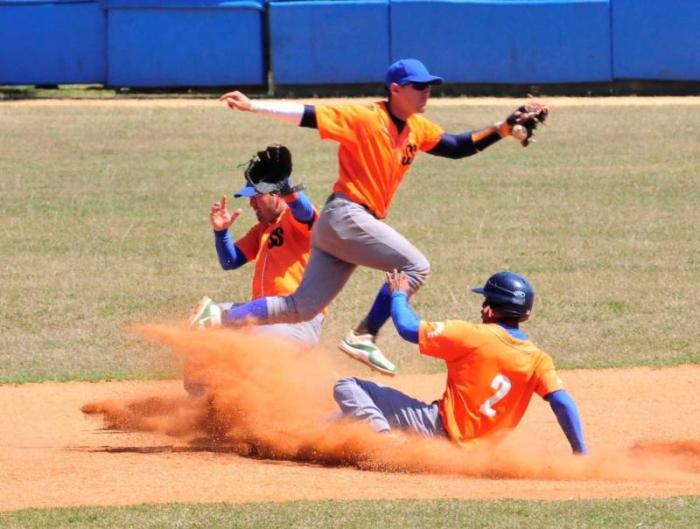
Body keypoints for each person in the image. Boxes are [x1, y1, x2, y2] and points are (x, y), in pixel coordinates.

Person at [215, 58, 548, 376]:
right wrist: (253, 105)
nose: (425, 92)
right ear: (395, 89)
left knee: (301, 307)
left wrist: (503, 129)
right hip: (346, 214)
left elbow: (457, 146)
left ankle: (222, 317)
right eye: (417, 86)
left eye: (429, 86)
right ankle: (364, 334)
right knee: (416, 267)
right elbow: (309, 114)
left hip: (341, 227)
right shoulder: (366, 117)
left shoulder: (417, 128)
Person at [333, 270, 588, 454]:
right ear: (526, 314)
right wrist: (580, 453)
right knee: (340, 419)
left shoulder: (472, 336)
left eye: (484, 301)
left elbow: (407, 327)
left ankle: (384, 446)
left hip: (435, 429)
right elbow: (562, 402)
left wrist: (398, 295)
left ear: (488, 309)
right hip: (477, 455)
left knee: (347, 386)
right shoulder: (538, 359)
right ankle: (309, 441)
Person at [189, 145, 324, 347]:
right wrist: (221, 232)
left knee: (253, 338)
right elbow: (230, 261)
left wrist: (288, 190)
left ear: (276, 193)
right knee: (202, 324)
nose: (251, 203)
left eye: (256, 196)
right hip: (262, 314)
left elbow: (304, 212)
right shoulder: (262, 230)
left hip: (297, 319)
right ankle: (205, 380)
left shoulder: (296, 220)